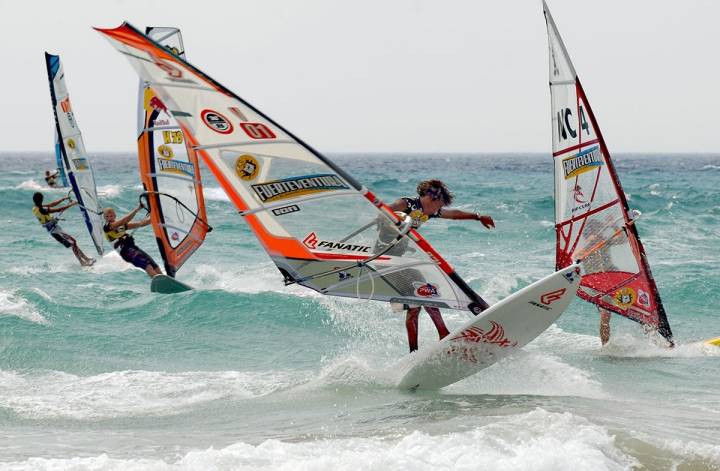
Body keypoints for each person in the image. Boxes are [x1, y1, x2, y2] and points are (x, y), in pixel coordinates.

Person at [385, 180, 495, 352]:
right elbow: (380, 213)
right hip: (385, 259)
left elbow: (453, 214)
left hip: (401, 260)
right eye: (438, 206)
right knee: (425, 290)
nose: (438, 211)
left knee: (415, 306)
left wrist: (477, 216)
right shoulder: (405, 204)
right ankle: (442, 333)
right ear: (429, 198)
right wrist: (392, 220)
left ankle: (414, 352)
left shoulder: (427, 211)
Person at [32, 192, 95, 266]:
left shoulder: (35, 208)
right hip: (55, 231)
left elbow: (51, 205)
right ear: (41, 200)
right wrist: (71, 204)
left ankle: (86, 259)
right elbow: (59, 209)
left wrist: (62, 199)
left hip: (55, 229)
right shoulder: (42, 210)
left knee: (73, 243)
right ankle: (82, 262)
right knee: (73, 243)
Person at [102, 204, 162, 278]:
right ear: (104, 218)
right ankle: (158, 281)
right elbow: (124, 220)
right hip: (126, 251)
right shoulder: (107, 227)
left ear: (115, 215)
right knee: (147, 264)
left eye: (111, 216)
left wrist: (156, 216)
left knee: (153, 264)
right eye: (107, 216)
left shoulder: (120, 228)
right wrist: (137, 209)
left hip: (132, 248)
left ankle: (165, 280)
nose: (109, 218)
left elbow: (141, 224)